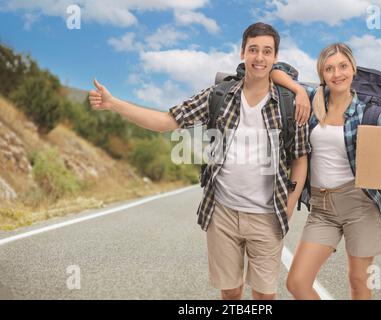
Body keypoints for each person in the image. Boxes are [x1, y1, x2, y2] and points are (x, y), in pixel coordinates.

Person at [89, 22, 311, 300]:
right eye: (253, 49)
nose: (259, 57)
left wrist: (289, 207)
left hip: (268, 216)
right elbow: (166, 121)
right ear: (242, 52)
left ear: (275, 58)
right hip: (222, 213)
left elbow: (300, 159)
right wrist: (114, 104)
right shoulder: (218, 96)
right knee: (230, 292)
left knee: (265, 296)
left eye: (267, 51)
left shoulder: (290, 104)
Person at [271, 43, 381, 300]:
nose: (337, 74)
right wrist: (297, 89)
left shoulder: (369, 113)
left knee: (358, 281)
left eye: (343, 66)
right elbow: (275, 71)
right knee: (297, 283)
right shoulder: (311, 98)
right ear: (322, 74)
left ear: (353, 69)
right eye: (329, 69)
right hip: (322, 207)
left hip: (360, 203)